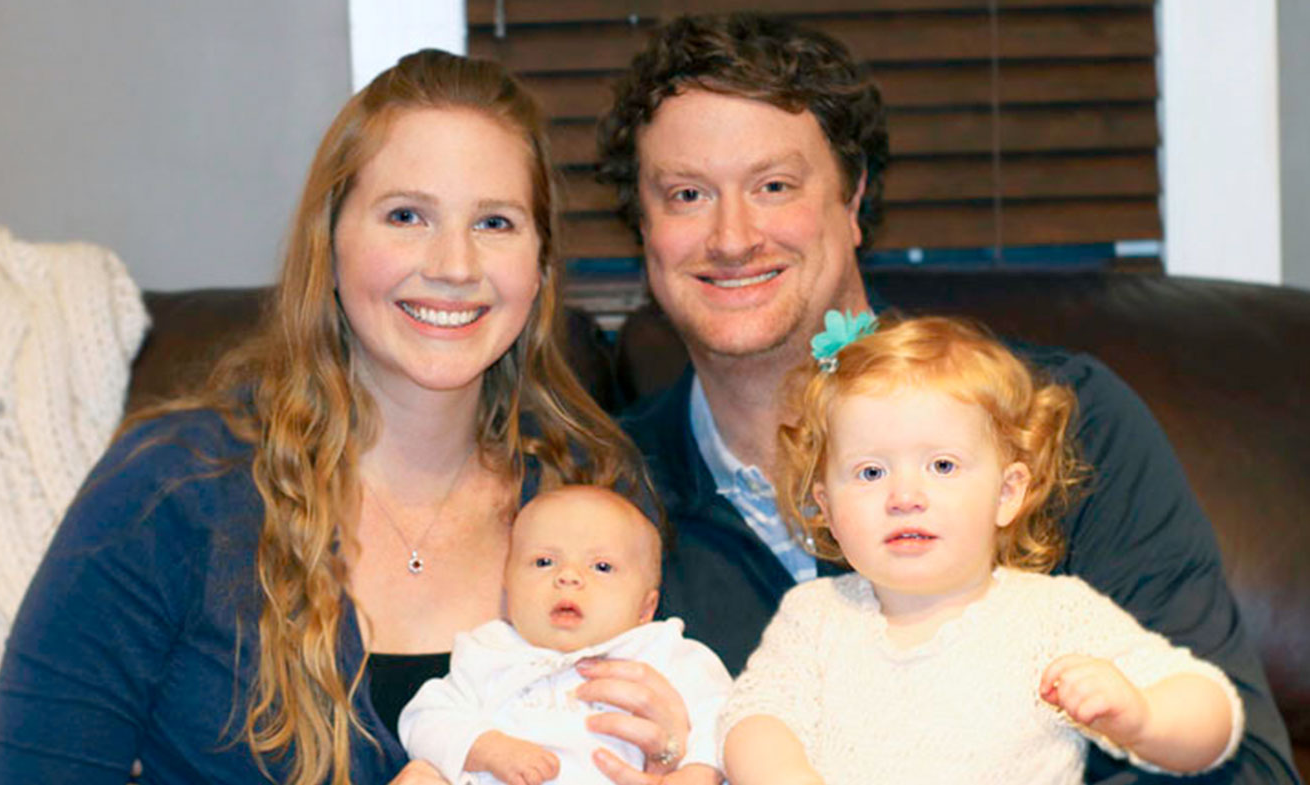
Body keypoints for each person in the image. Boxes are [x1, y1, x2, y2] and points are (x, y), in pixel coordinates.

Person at [596, 12, 1300, 783]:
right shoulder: (607, 495)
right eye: (687, 194)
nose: (732, 237)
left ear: (852, 200)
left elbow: (1247, 767)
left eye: (774, 186)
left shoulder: (1062, 420)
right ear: (644, 228)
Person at [0, 50, 690, 785]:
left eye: (494, 222)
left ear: (539, 265)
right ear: (329, 242)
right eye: (407, 215)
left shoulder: (598, 493)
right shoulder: (172, 489)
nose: (453, 264)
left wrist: (680, 756)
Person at [720, 313, 1243, 783]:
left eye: (942, 466)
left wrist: (1143, 717)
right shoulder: (814, 618)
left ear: (1007, 493)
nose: (904, 496)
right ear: (827, 507)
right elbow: (754, 718)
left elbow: (1210, 708)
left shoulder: (1052, 616)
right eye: (871, 472)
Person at [399, 485, 730, 785]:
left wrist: (697, 771)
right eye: (544, 562)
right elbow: (423, 719)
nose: (568, 576)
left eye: (601, 566)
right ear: (508, 587)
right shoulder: (490, 651)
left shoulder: (665, 652)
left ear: (646, 608)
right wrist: (488, 748)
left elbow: (723, 718)